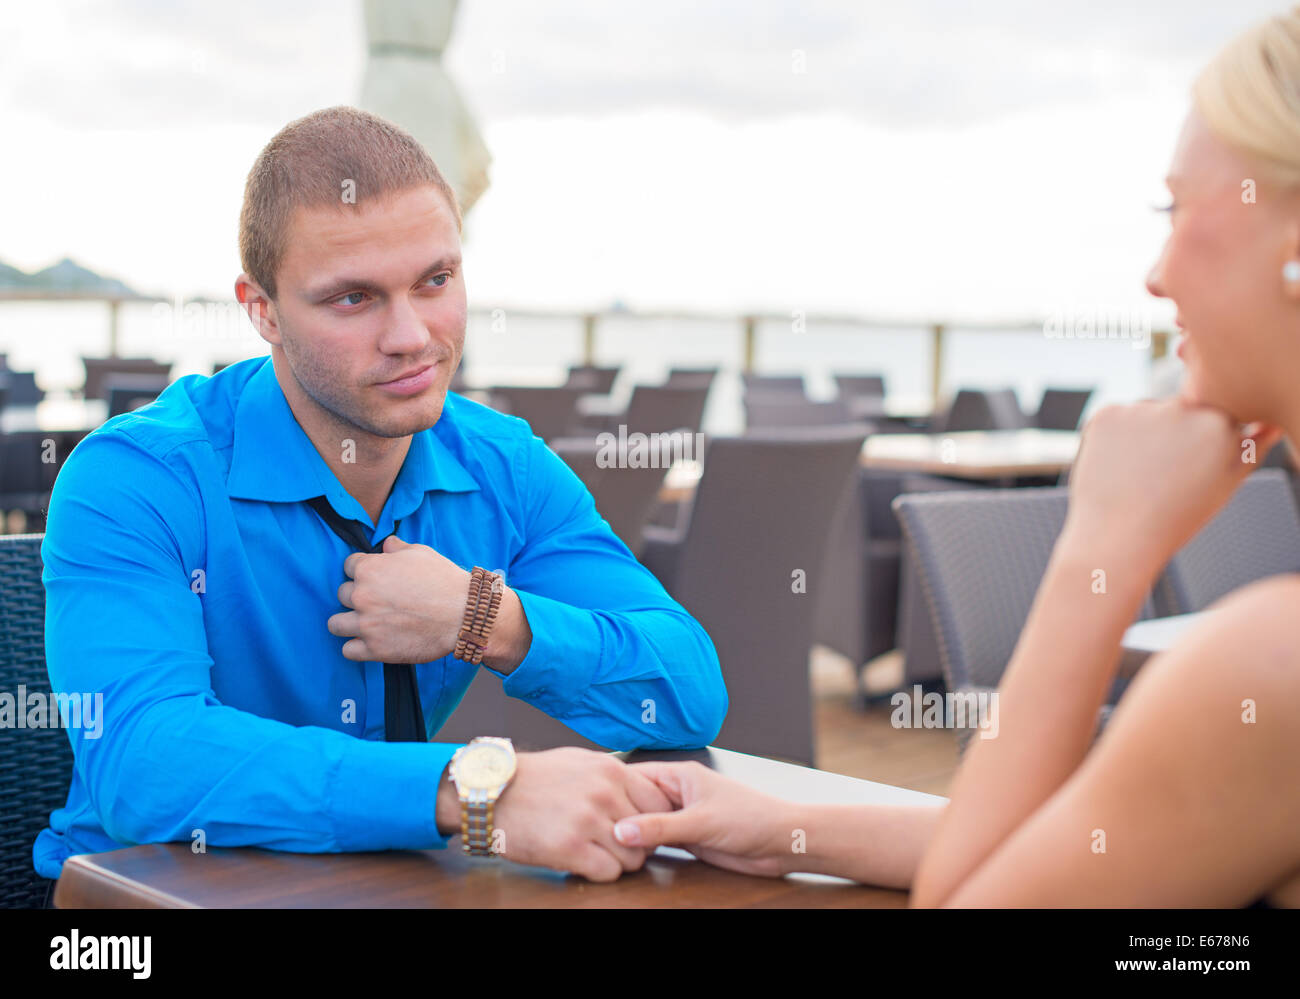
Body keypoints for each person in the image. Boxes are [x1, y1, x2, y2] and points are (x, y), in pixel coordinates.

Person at [613, 7, 1300, 907]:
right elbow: (1093, 844)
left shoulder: (1271, 668)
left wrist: (1102, 548)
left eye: (1176, 210)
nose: (1156, 273)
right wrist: (785, 826)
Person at [34, 106, 727, 892]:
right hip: (140, 900)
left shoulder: (504, 466)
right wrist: (475, 789)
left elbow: (688, 693)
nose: (412, 336)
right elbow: (143, 761)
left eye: (436, 281)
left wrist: (484, 618)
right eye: (354, 298)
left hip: (388, 885)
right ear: (262, 309)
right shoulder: (136, 477)